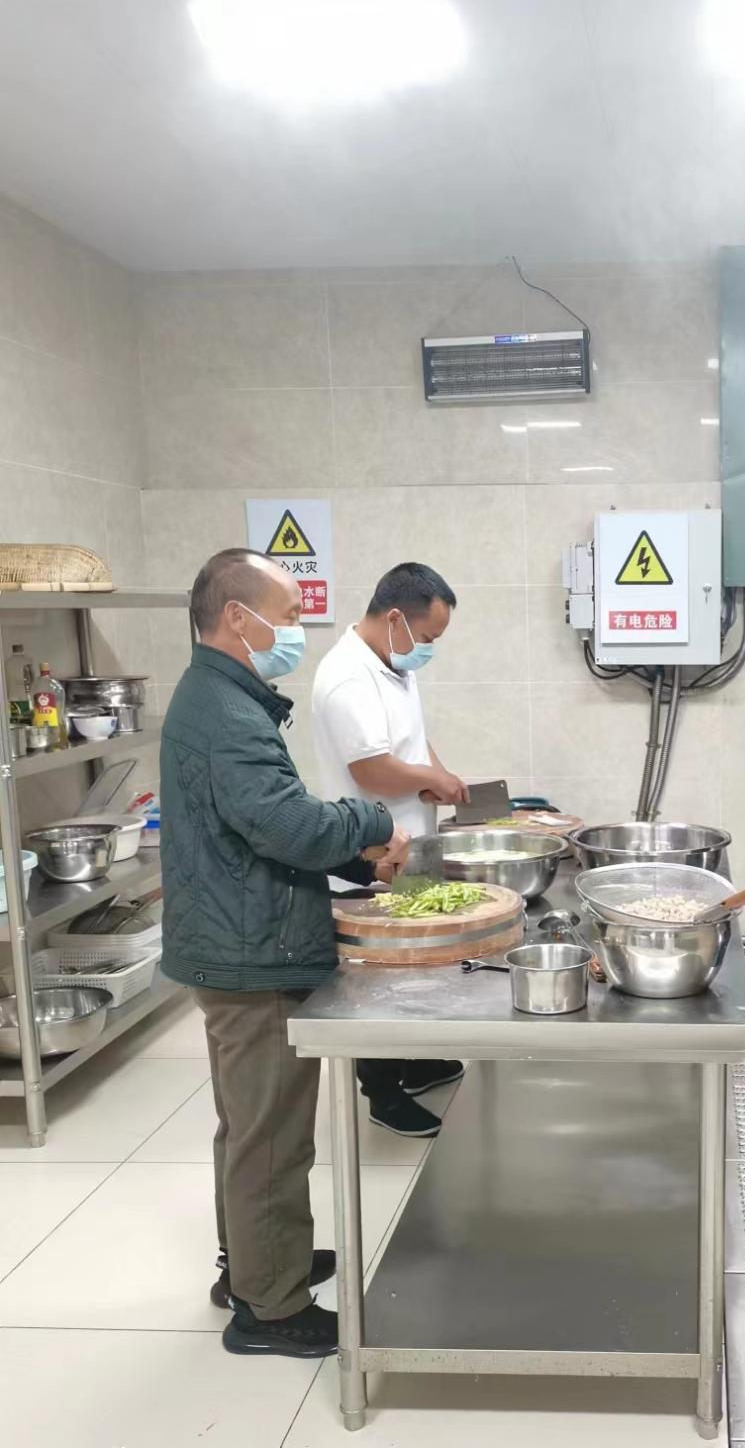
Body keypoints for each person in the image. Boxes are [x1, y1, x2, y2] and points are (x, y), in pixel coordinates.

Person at [161, 548, 409, 1358]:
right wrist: (371, 823)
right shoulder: (227, 715)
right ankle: (268, 1308)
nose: (298, 629)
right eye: (290, 614)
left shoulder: (219, 697)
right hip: (251, 952)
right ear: (239, 618)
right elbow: (286, 824)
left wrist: (353, 860)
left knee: (247, 1125)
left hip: (234, 934)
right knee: (270, 1134)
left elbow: (255, 825)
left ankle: (253, 1263)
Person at [312, 562, 470, 1138]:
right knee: (377, 977)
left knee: (412, 964)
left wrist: (437, 775)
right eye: (427, 637)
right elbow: (372, 769)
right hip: (370, 854)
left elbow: (411, 739)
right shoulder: (348, 677)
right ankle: (381, 1092)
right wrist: (430, 779)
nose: (428, 649)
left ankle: (414, 1060)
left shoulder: (392, 662)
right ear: (396, 618)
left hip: (409, 843)